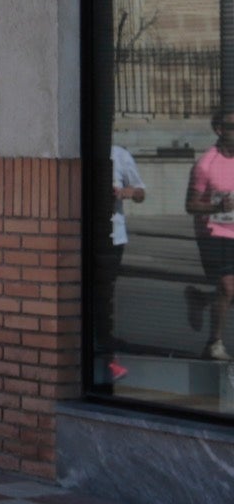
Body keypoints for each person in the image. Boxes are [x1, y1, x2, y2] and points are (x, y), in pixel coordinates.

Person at [185, 110, 234, 362]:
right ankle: (213, 343)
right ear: (219, 130)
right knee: (227, 286)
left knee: (229, 292)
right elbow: (190, 205)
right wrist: (217, 208)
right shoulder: (206, 164)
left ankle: (200, 298)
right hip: (213, 232)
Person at [98, 145, 146, 381]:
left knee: (105, 295)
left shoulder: (120, 155)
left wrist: (123, 193)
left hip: (113, 236)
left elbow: (140, 192)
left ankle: (107, 353)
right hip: (84, 234)